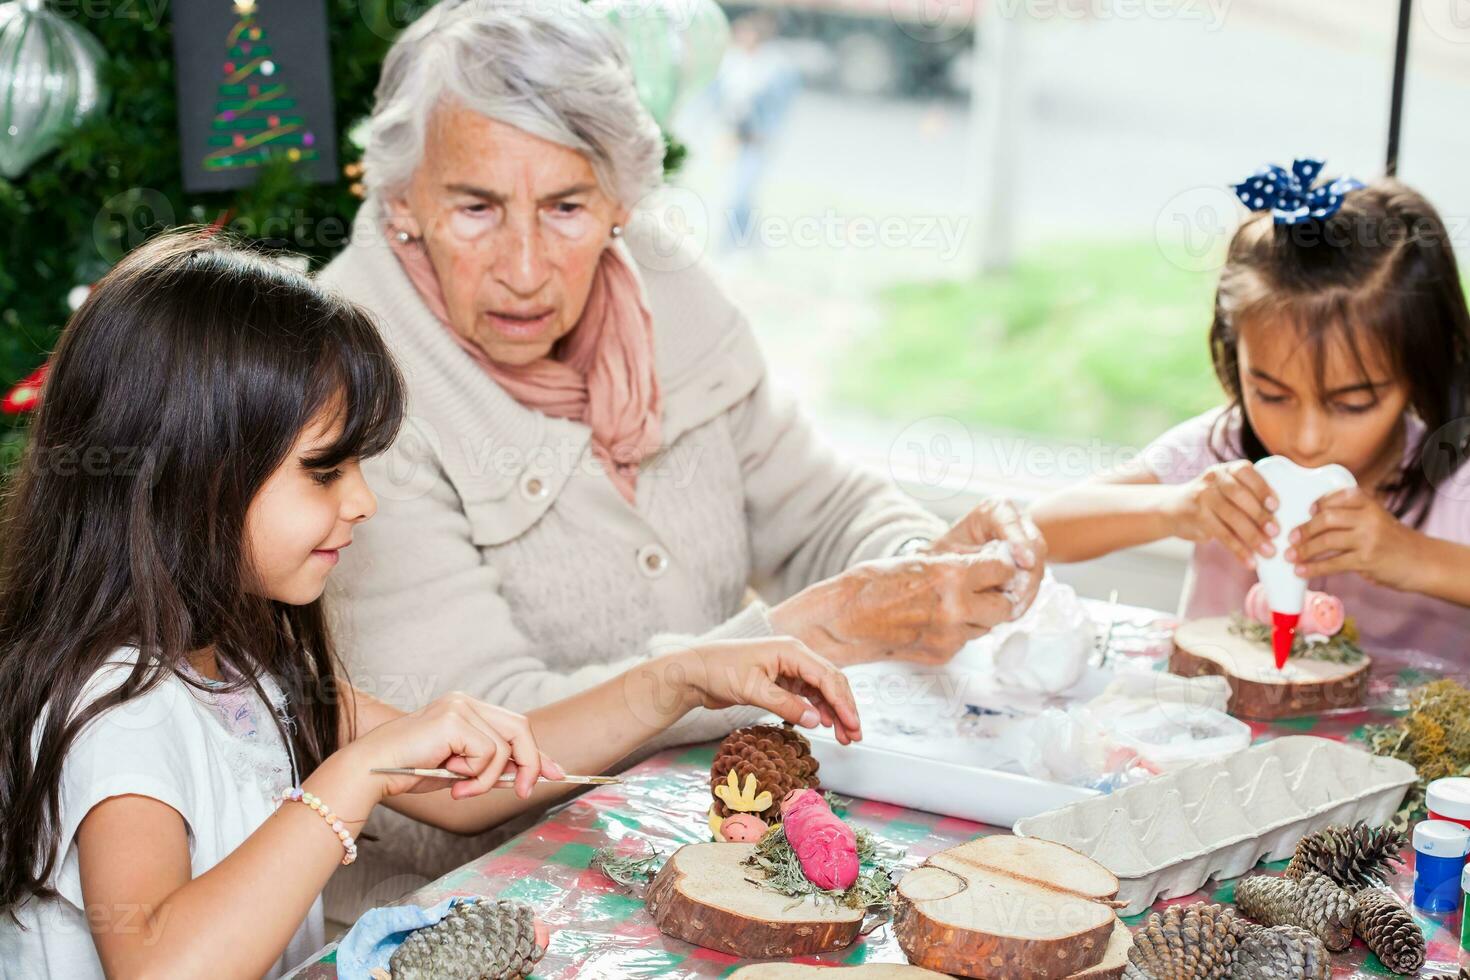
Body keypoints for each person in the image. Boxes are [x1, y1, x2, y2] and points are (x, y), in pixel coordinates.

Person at [319, 0, 1045, 917]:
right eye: (476, 208)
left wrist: (935, 567)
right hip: (466, 910)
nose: (527, 265)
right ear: (399, 203)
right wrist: (825, 629)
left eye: (568, 206)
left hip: (691, 850)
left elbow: (822, 512)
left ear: (621, 200)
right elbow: (476, 758)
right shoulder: (346, 387)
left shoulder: (658, 287)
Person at [0, 231, 860, 979]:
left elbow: (469, 789)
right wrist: (353, 776)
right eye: (326, 469)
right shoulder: (114, 709)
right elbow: (157, 966)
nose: (364, 501)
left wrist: (676, 681)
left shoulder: (239, 667)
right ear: (184, 476)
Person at [1032, 167, 1470, 655]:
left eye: (1351, 403)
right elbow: (1043, 529)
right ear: (1232, 350)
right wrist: (1173, 508)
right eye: (1272, 394)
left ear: (1426, 364)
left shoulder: (1454, 480)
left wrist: (1418, 558)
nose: (1305, 439)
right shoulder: (1220, 452)